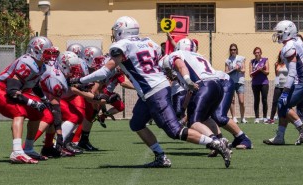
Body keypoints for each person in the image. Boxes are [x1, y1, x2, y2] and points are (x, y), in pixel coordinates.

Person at [71, 16, 231, 168]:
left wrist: (80, 80)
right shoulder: (149, 42)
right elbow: (161, 63)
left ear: (121, 30)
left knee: (175, 130)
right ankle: (160, 157)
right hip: (153, 91)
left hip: (153, 91)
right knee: (136, 123)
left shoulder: (121, 46)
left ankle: (215, 143)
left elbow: (105, 72)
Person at [0, 36, 55, 163]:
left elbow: (34, 84)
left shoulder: (41, 66)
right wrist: (30, 102)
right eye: (47, 52)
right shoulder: (27, 63)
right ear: (36, 51)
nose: (50, 56)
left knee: (37, 112)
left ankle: (28, 149)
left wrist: (44, 100)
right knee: (19, 111)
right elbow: (12, 91)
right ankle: (17, 152)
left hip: (11, 92)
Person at [264, 20, 303, 145]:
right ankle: (280, 137)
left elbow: (292, 72)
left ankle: (302, 129)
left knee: (283, 104)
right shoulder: (297, 40)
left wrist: (286, 91)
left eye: (280, 32)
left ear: (288, 33)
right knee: (282, 105)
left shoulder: (289, 47)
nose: (278, 35)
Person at [225, 44, 247, 124]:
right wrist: (233, 70)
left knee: (241, 101)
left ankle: (243, 117)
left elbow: (244, 70)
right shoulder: (228, 60)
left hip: (240, 81)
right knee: (232, 100)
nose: (233, 51)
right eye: (231, 49)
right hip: (231, 82)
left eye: (234, 49)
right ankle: (234, 117)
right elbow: (226, 72)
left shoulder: (241, 58)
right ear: (230, 51)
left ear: (236, 50)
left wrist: (239, 70)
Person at [265, 51, 287, 124]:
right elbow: (276, 74)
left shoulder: (288, 63)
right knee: (275, 102)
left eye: (283, 55)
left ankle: (287, 117)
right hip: (278, 85)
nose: (282, 56)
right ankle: (271, 119)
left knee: (285, 102)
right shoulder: (276, 64)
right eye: (281, 55)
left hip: (286, 86)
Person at [249, 47, 270, 123]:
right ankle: (257, 118)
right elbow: (250, 74)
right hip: (255, 83)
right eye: (256, 52)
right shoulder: (252, 62)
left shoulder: (265, 60)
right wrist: (256, 71)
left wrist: (261, 70)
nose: (257, 54)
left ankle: (265, 117)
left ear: (261, 53)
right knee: (256, 99)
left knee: (264, 99)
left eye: (258, 52)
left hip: (264, 83)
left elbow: (267, 72)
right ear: (254, 53)